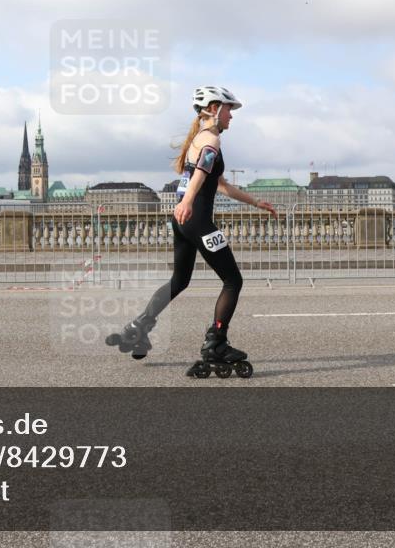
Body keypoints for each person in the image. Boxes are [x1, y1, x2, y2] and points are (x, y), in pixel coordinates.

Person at [106, 86, 278, 374]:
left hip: (183, 221)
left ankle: (139, 326)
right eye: (228, 110)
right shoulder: (210, 138)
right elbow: (201, 173)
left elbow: (221, 184)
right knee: (233, 280)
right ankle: (216, 342)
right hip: (197, 220)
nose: (231, 117)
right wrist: (187, 202)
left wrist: (255, 202)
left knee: (180, 280)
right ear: (213, 108)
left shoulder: (199, 138)